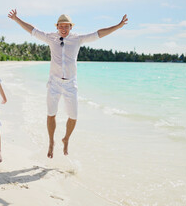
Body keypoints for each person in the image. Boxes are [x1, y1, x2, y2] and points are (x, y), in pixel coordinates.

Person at [8, 9, 128, 158]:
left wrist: (118, 26)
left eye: (66, 26)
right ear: (57, 27)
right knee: (51, 114)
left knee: (73, 116)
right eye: (61, 26)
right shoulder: (50, 38)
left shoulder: (78, 39)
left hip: (70, 84)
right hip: (54, 83)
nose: (63, 29)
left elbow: (98, 34)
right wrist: (16, 19)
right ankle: (51, 142)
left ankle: (66, 139)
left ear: (71, 27)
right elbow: (32, 30)